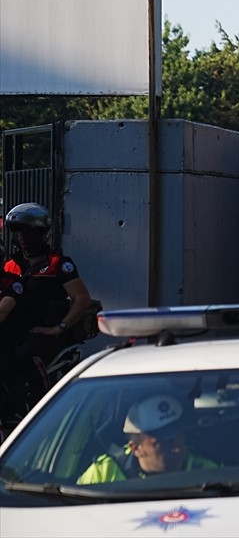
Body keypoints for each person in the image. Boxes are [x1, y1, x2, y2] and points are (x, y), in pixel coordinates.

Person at [0, 203, 93, 406]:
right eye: (17, 231)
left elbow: (81, 299)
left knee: (27, 354)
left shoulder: (58, 264)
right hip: (16, 331)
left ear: (41, 232)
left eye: (28, 231)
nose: (22, 236)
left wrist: (59, 327)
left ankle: (42, 403)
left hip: (45, 331)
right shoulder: (10, 265)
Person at [77, 394, 217, 483]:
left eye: (179, 438)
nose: (178, 448)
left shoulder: (206, 471)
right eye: (164, 443)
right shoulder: (103, 473)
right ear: (135, 448)